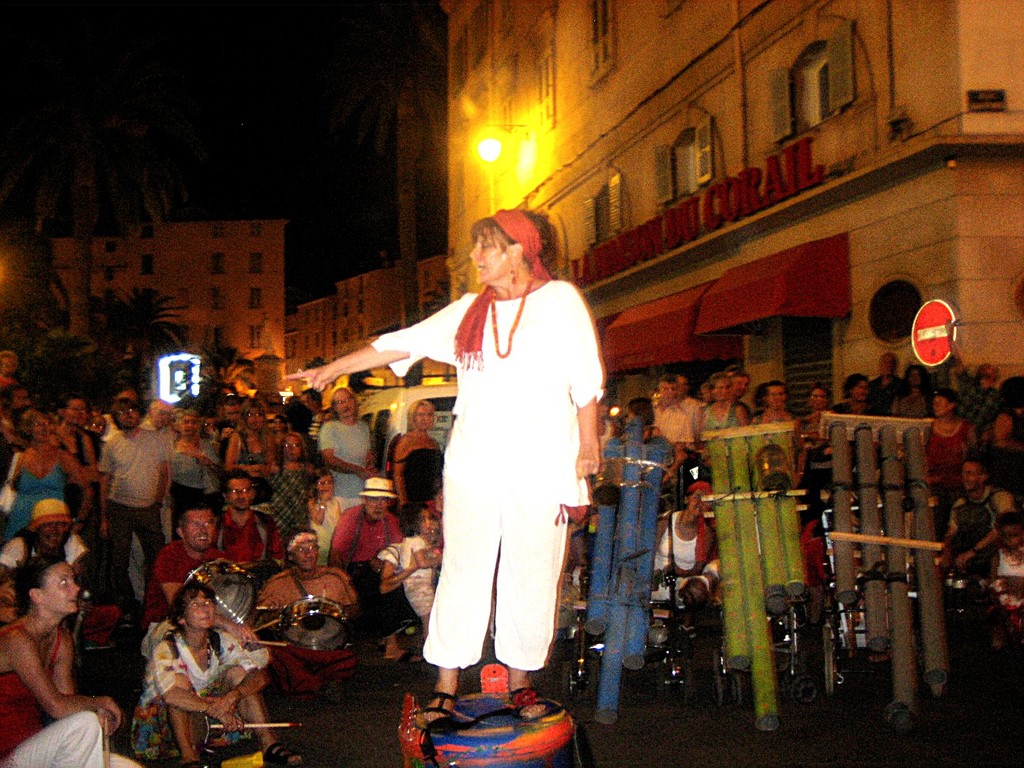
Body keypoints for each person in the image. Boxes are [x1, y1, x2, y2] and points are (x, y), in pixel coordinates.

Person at [290, 208, 602, 725]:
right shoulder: (467, 311)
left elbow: (586, 380)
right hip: (474, 464)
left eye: (486, 247)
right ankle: (447, 683)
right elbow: (401, 341)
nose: (475, 257)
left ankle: (520, 682)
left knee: (531, 571)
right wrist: (335, 367)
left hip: (540, 465)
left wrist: (587, 449)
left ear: (518, 251)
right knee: (463, 570)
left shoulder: (560, 302)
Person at [130, 581, 303, 766]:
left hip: (206, 712)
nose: (205, 609)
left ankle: (268, 742)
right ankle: (188, 756)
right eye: (195, 604)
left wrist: (231, 698)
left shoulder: (219, 639)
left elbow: (259, 676)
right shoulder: (167, 648)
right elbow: (171, 695)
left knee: (239, 673)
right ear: (181, 618)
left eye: (208, 603)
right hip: (164, 723)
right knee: (180, 684)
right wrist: (214, 708)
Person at [0, 556, 140, 768]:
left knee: (128, 767)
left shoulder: (61, 638)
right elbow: (55, 705)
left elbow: (68, 704)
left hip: (35, 746)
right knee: (85, 724)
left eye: (74, 580)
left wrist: (96, 709)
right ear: (37, 596)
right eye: (64, 582)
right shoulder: (16, 639)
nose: (76, 589)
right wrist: (100, 702)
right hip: (7, 753)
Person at [256, 529, 359, 698]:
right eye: (301, 550)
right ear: (290, 556)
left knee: (348, 657)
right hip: (294, 648)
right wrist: (272, 614)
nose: (308, 554)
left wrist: (340, 612)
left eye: (312, 548)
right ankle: (319, 684)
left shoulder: (335, 577)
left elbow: (355, 612)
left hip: (328, 646)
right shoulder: (277, 584)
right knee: (275, 657)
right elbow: (259, 622)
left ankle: (309, 683)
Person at [99, 397, 172, 619]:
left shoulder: (155, 439)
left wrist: (158, 502)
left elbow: (164, 473)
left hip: (147, 508)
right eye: (123, 412)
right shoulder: (112, 443)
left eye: (132, 410)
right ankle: (125, 608)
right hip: (119, 507)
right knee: (119, 560)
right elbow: (105, 479)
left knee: (156, 557)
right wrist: (104, 516)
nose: (129, 415)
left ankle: (154, 603)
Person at [326, 477, 414, 656]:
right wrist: (343, 584)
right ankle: (391, 645)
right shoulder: (350, 517)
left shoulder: (391, 521)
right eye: (374, 499)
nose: (379, 505)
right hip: (353, 571)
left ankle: (389, 638)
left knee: (394, 584)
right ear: (365, 500)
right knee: (386, 588)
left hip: (380, 571)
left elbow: (398, 552)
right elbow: (336, 554)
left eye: (383, 500)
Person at [140, 506, 227, 637]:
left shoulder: (219, 558)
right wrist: (229, 624)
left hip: (208, 623)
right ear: (181, 532)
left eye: (208, 523)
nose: (203, 530)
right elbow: (181, 606)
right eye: (195, 525)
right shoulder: (169, 555)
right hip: (167, 626)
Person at [4, 409, 86, 542]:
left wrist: (79, 520)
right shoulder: (20, 458)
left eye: (47, 423)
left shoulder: (63, 457)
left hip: (54, 521)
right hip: (22, 518)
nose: (44, 428)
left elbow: (86, 490)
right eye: (38, 424)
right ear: (29, 429)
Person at [378, 503, 443, 662]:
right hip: (419, 585)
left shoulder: (409, 541)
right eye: (424, 519)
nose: (428, 523)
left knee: (428, 617)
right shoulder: (417, 541)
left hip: (415, 585)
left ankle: (429, 647)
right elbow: (420, 563)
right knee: (428, 618)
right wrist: (440, 558)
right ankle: (431, 650)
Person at [650, 481, 719, 630]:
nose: (700, 503)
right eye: (697, 497)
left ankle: (685, 625)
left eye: (706, 501)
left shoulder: (706, 534)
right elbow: (649, 552)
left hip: (680, 590)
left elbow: (698, 569)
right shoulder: (666, 520)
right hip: (654, 586)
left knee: (695, 590)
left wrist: (677, 572)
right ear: (687, 499)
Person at [940, 458, 1017, 578]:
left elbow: (1005, 528)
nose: (965, 477)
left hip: (995, 559)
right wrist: (946, 552)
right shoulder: (960, 504)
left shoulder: (1000, 498)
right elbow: (952, 532)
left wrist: (973, 551)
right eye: (963, 473)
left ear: (983, 476)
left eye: (970, 473)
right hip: (967, 560)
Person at [926, 388, 977, 540]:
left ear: (951, 405)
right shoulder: (928, 427)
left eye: (940, 403)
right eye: (934, 403)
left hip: (959, 485)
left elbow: (973, 455)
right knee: (935, 524)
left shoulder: (967, 428)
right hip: (935, 484)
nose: (936, 406)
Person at [317, 386, 374, 510]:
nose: (345, 405)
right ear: (334, 408)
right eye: (340, 402)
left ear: (354, 401)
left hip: (363, 494)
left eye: (348, 400)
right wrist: (357, 470)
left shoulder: (363, 427)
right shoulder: (330, 428)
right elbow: (330, 460)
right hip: (340, 496)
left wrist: (370, 463)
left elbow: (368, 454)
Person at [169, 409, 223, 530]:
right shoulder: (171, 445)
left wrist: (205, 460)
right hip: (180, 493)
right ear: (178, 425)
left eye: (193, 422)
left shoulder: (205, 445)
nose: (189, 426)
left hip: (204, 493)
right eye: (186, 422)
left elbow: (219, 471)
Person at [216, 471, 285, 564]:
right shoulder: (216, 524)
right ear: (225, 496)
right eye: (234, 491)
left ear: (252, 494)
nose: (240, 496)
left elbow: (277, 556)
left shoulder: (265, 522)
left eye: (245, 490)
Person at [265, 431, 317, 544]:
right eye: (287, 446)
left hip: (299, 513)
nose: (291, 449)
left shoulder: (306, 469)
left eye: (296, 445)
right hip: (279, 512)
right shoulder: (276, 467)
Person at [389, 400, 443, 508]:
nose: (425, 419)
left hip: (431, 500)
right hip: (412, 500)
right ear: (413, 418)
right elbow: (398, 475)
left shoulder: (434, 443)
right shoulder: (406, 441)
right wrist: (403, 502)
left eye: (429, 415)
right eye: (420, 415)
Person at [223, 400, 278, 505]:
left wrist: (262, 469)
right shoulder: (237, 437)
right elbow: (228, 466)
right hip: (241, 491)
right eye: (250, 415)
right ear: (244, 417)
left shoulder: (268, 438)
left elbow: (269, 468)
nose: (255, 419)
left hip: (263, 490)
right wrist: (250, 468)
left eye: (258, 414)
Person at [987, 511, 1024, 651]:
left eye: (1015, 535)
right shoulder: (998, 557)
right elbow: (993, 582)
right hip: (1004, 603)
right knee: (995, 617)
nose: (1010, 540)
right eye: (1006, 536)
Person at [307, 469, 342, 565]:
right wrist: (323, 502)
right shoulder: (312, 503)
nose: (327, 486)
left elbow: (338, 524)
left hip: (332, 543)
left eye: (329, 482)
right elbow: (318, 520)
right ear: (315, 485)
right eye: (322, 483)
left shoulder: (336, 502)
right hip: (320, 543)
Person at [867, 351, 902, 416]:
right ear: (880, 365)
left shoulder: (901, 384)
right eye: (886, 362)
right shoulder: (872, 384)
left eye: (892, 363)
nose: (889, 365)